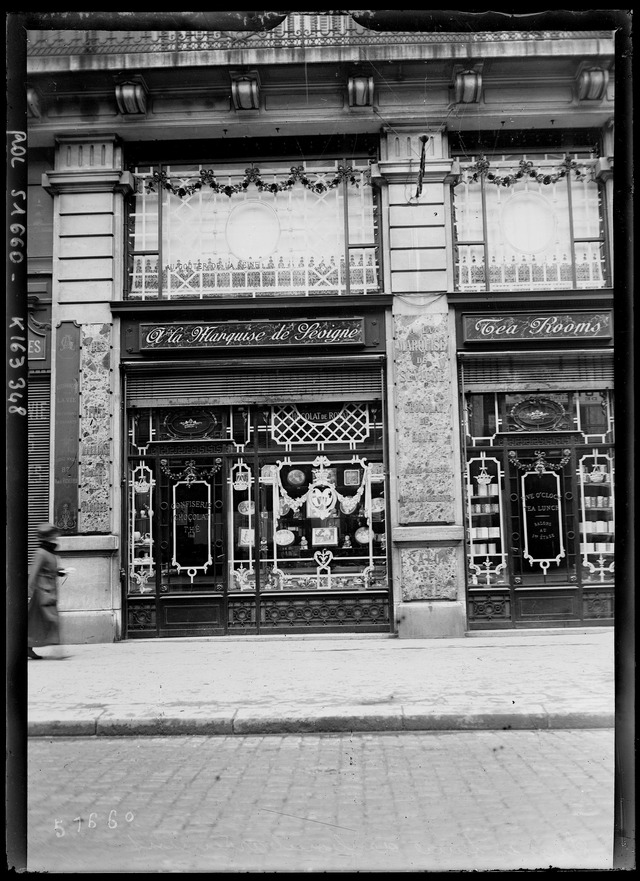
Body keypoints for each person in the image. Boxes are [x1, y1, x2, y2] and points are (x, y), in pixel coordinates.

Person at [28, 522, 68, 660]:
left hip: (49, 591)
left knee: (36, 622)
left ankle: (28, 647)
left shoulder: (49, 552)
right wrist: (29, 592)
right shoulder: (41, 553)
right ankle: (58, 651)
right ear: (47, 538)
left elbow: (50, 570)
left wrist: (60, 572)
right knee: (52, 620)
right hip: (42, 593)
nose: (55, 539)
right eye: (53, 536)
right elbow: (33, 574)